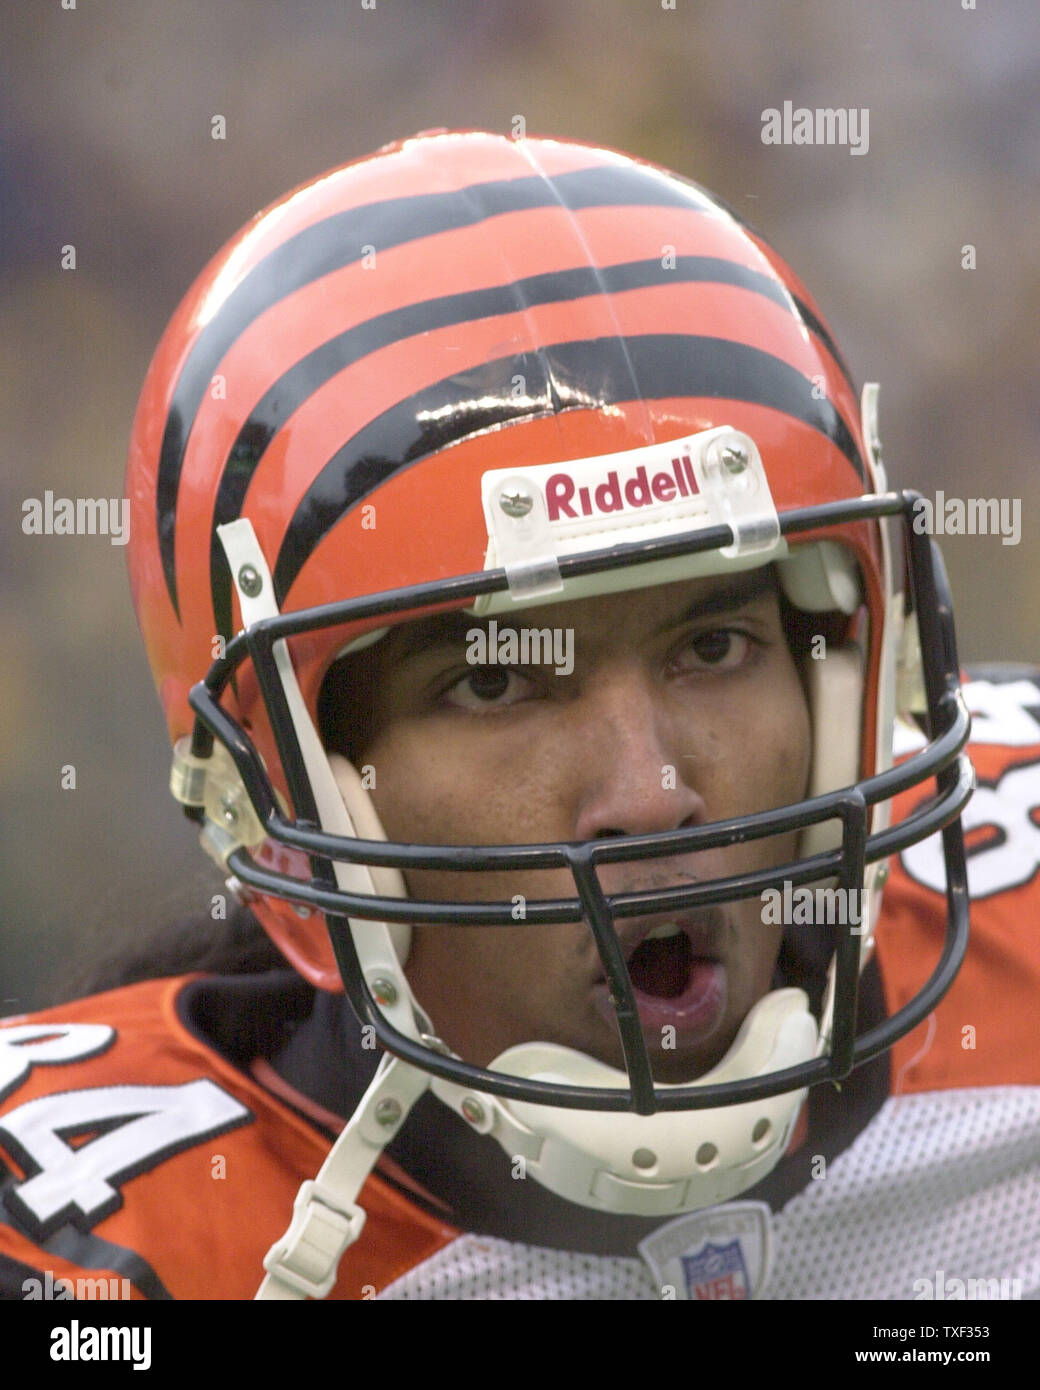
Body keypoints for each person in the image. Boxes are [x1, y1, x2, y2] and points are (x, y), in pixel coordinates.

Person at [1, 130, 1037, 1304]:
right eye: (492, 682)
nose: (649, 790)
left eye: (712, 645)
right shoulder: (88, 1254)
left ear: (842, 682)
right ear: (290, 790)